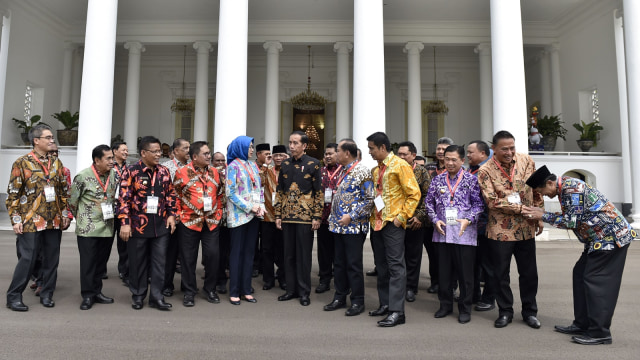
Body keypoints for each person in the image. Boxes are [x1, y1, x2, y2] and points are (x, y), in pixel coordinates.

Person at [523, 166, 633, 345]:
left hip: (610, 239)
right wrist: (544, 214)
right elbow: (575, 215)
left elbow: (572, 221)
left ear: (550, 183)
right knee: (580, 274)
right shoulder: (565, 188)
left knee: (595, 282)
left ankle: (600, 333)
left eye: (541, 191)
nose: (542, 195)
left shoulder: (571, 188)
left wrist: (543, 216)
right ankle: (582, 324)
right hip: (597, 239)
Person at [477, 130, 543, 329]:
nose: (509, 152)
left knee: (529, 273)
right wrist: (523, 209)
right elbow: (492, 201)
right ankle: (505, 311)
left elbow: (536, 189)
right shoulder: (485, 170)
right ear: (494, 149)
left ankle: (530, 312)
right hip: (500, 231)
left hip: (526, 228)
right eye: (504, 149)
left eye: (512, 147)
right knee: (500, 275)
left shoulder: (526, 161)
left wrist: (539, 214)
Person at [6, 124, 71, 311]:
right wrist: (16, 219)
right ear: (36, 141)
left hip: (54, 219)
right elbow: (13, 194)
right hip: (30, 219)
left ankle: (47, 293)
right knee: (28, 258)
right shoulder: (22, 162)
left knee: (52, 259)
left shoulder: (56, 163)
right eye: (48, 137)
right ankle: (13, 296)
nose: (52, 140)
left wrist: (65, 213)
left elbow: (62, 191)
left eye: (52, 137)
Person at [425, 145, 484, 324]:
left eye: (454, 160)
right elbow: (428, 203)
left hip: (463, 233)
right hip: (442, 233)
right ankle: (445, 305)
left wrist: (469, 219)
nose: (449, 163)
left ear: (462, 160)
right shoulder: (437, 180)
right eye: (447, 159)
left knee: (465, 274)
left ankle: (465, 308)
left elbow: (479, 205)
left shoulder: (471, 180)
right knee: (444, 272)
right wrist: (435, 219)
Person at [367, 132, 420, 327]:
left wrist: (401, 217)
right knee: (381, 266)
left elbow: (414, 194)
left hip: (392, 223)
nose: (370, 152)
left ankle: (397, 312)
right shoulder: (376, 170)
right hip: (377, 222)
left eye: (372, 148)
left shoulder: (400, 165)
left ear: (382, 147)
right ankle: (385, 304)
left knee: (396, 267)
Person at [118, 136, 177, 310]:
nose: (159, 154)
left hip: (160, 225)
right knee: (138, 262)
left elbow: (171, 195)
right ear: (143, 153)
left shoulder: (164, 171)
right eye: (155, 151)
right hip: (137, 225)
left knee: (160, 262)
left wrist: (172, 215)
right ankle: (138, 294)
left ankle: (157, 297)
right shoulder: (131, 171)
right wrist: (125, 223)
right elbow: (123, 199)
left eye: (160, 151)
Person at [323, 139, 374, 316]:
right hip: (338, 227)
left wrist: (351, 216)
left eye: (337, 151)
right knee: (339, 264)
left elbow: (369, 201)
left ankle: (358, 300)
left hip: (353, 227)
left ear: (347, 153)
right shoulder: (342, 170)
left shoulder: (362, 171)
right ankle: (339, 296)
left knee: (353, 264)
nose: (335, 154)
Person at [173, 141, 224, 307]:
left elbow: (221, 194)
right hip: (189, 222)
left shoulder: (216, 173)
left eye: (209, 153)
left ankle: (210, 289)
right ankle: (189, 291)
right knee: (188, 259)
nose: (209, 156)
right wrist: (179, 215)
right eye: (206, 154)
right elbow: (175, 195)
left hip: (211, 222)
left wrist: (219, 212)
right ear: (194, 157)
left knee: (213, 256)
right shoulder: (181, 173)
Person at [275, 131, 323, 306]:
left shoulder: (314, 164)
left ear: (304, 146)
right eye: (290, 142)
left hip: (305, 218)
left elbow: (319, 192)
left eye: (295, 143)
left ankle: (304, 292)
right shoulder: (285, 164)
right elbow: (280, 191)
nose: (292, 146)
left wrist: (317, 216)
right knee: (288, 256)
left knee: (303, 256)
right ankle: (291, 290)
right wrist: (278, 214)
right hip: (287, 217)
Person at [68, 145, 118, 310]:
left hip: (107, 226)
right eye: (108, 158)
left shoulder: (114, 175)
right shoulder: (82, 176)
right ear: (97, 160)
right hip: (88, 228)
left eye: (112, 157)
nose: (112, 161)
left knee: (100, 263)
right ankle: (88, 295)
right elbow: (72, 202)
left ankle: (97, 292)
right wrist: (82, 218)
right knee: (88, 263)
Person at [226, 136, 264, 305]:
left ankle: (246, 290)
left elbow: (258, 188)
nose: (251, 150)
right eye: (249, 147)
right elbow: (230, 192)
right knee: (237, 254)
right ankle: (234, 291)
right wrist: (250, 207)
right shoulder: (233, 166)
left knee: (249, 254)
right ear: (240, 147)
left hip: (254, 215)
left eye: (252, 147)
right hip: (238, 216)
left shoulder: (252, 165)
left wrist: (260, 206)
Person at [396, 141, 431, 303]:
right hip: (395, 220)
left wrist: (420, 216)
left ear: (413, 156)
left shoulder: (422, 172)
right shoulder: (393, 170)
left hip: (414, 221)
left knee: (413, 256)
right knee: (396, 256)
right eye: (399, 154)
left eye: (405, 154)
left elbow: (428, 197)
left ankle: (411, 287)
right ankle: (397, 286)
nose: (401, 157)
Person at [466, 140, 496, 311]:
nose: (468, 155)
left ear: (483, 154)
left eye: (471, 152)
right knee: (473, 263)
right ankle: (473, 294)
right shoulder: (471, 170)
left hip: (486, 226)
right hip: (471, 227)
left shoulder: (488, 172)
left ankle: (489, 298)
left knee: (488, 265)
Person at [423, 136, 455, 294]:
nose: (441, 152)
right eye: (439, 149)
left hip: (452, 220)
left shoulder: (457, 169)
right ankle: (436, 281)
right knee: (434, 254)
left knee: (452, 255)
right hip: (431, 219)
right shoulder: (428, 168)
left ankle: (451, 284)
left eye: (445, 149)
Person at [161, 138, 190, 297]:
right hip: (171, 216)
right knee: (170, 254)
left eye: (189, 148)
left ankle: (187, 285)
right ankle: (167, 285)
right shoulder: (166, 168)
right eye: (185, 148)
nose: (188, 151)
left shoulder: (193, 167)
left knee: (187, 254)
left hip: (189, 217)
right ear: (175, 151)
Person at [260, 145, 287, 291]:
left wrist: (290, 164)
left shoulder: (289, 171)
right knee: (267, 249)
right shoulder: (267, 171)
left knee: (282, 249)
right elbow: (258, 181)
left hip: (284, 216)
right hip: (268, 216)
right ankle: (268, 279)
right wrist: (265, 164)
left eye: (281, 155)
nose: (277, 158)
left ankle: (282, 278)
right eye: (275, 155)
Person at [316, 143, 341, 294]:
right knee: (324, 252)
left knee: (339, 253)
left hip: (339, 221)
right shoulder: (320, 172)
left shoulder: (344, 172)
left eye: (331, 153)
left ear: (338, 154)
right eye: (326, 154)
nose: (328, 156)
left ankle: (340, 282)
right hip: (323, 219)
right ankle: (324, 280)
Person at [112, 141, 130, 286]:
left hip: (123, 209)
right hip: (109, 209)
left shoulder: (130, 168)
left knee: (124, 241)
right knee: (104, 242)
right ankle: (100, 269)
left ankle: (124, 270)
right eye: (123, 150)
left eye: (127, 150)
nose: (126, 152)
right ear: (114, 151)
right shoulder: (107, 166)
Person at [212, 151, 231, 294]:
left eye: (222, 160)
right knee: (214, 251)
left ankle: (222, 279)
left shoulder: (229, 174)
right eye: (217, 160)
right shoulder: (210, 175)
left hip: (227, 219)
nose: (220, 163)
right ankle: (215, 278)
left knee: (225, 251)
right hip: (212, 217)